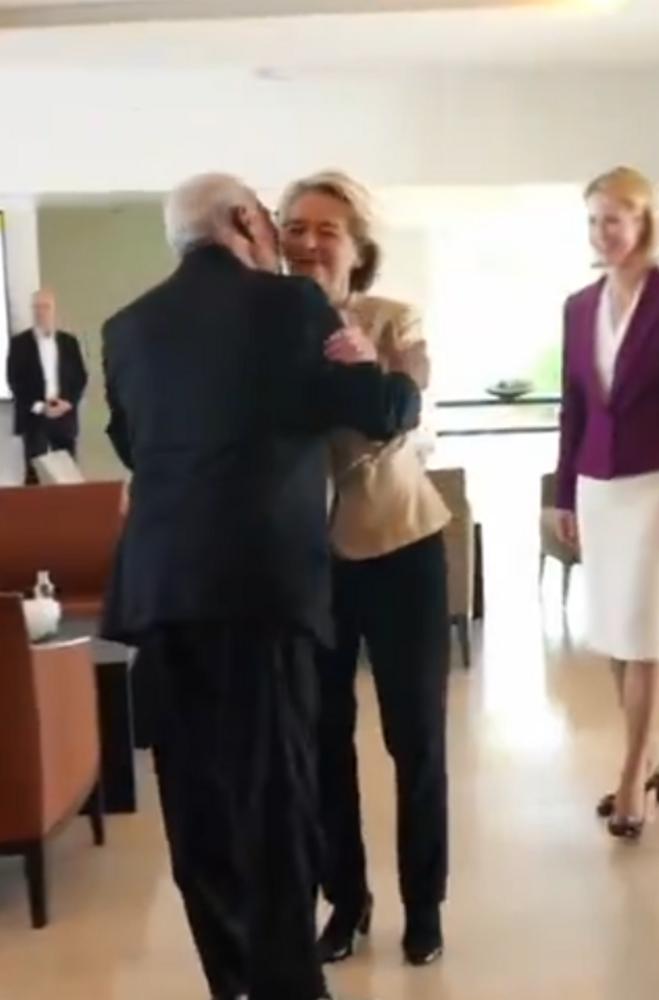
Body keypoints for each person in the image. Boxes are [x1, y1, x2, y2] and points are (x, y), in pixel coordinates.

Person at [100, 172, 420, 1000]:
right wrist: (388, 373)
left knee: (197, 809)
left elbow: (134, 444)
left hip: (158, 593)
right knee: (275, 798)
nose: (284, 242)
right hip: (258, 592)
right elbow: (381, 412)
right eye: (274, 225)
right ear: (244, 220)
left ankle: (231, 981)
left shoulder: (127, 326)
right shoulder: (290, 306)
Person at [279, 171, 451, 967]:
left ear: (357, 248)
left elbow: (403, 404)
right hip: (307, 562)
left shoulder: (392, 321)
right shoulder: (265, 324)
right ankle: (345, 901)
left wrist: (364, 362)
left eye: (328, 230)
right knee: (321, 742)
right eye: (295, 227)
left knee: (415, 738)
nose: (309, 242)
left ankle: (425, 904)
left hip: (401, 547)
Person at [553, 166, 659, 840]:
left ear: (645, 221)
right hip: (599, 486)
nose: (604, 233)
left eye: (615, 220)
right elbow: (572, 407)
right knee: (618, 635)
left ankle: (630, 776)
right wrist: (563, 493)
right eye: (595, 221)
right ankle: (648, 762)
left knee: (649, 632)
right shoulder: (578, 306)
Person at [6, 289, 89, 483]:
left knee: (67, 476)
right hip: (35, 418)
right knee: (35, 475)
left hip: (64, 416)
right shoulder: (19, 344)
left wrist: (68, 403)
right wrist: (40, 407)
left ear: (54, 310)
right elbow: (14, 380)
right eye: (37, 307)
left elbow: (80, 377)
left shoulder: (69, 342)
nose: (41, 312)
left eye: (45, 307)